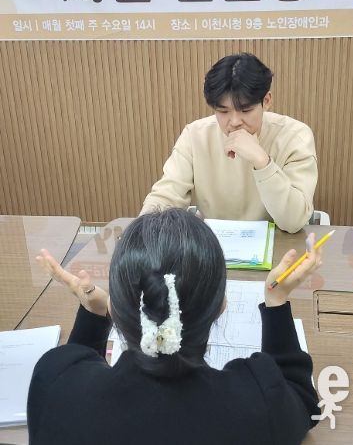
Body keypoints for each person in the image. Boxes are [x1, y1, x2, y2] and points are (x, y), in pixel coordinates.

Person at [27, 209, 321, 445]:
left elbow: (73, 374)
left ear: (114, 308)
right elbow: (300, 398)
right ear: (220, 305)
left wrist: (93, 315)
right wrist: (276, 303)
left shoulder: (54, 387)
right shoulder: (259, 405)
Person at [141, 52, 318, 233]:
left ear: (266, 101)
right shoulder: (195, 135)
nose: (234, 122)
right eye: (223, 111)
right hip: (213, 244)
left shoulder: (295, 136)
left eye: (245, 110)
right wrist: (143, 231)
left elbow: (293, 221)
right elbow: (166, 196)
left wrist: (262, 161)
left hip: (279, 243)